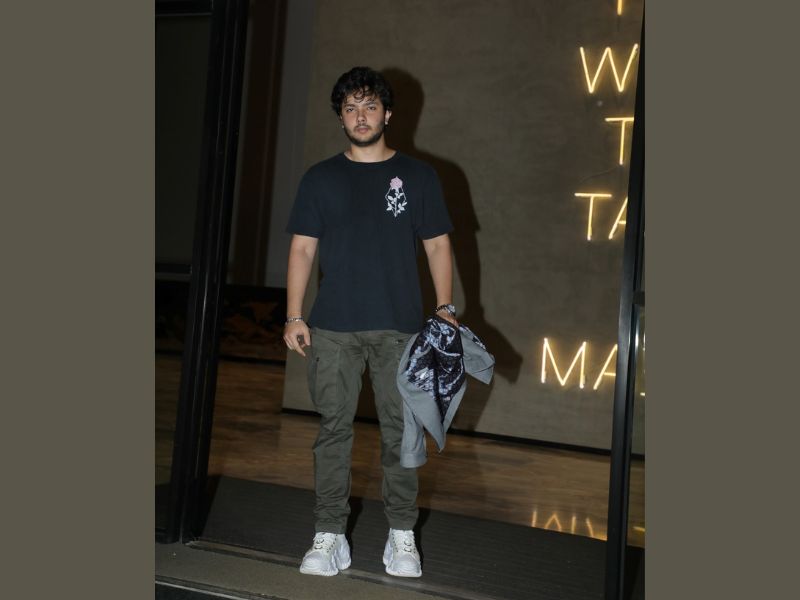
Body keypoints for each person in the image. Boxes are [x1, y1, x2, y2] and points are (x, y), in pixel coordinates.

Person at [283, 66, 457, 578]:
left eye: (370, 106)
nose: (361, 116)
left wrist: (444, 308)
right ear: (341, 118)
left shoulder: (419, 177)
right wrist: (294, 315)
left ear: (388, 114)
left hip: (399, 329)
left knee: (402, 434)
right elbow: (302, 248)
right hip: (332, 328)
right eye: (351, 108)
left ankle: (401, 534)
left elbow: (438, 244)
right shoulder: (320, 178)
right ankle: (329, 535)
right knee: (333, 431)